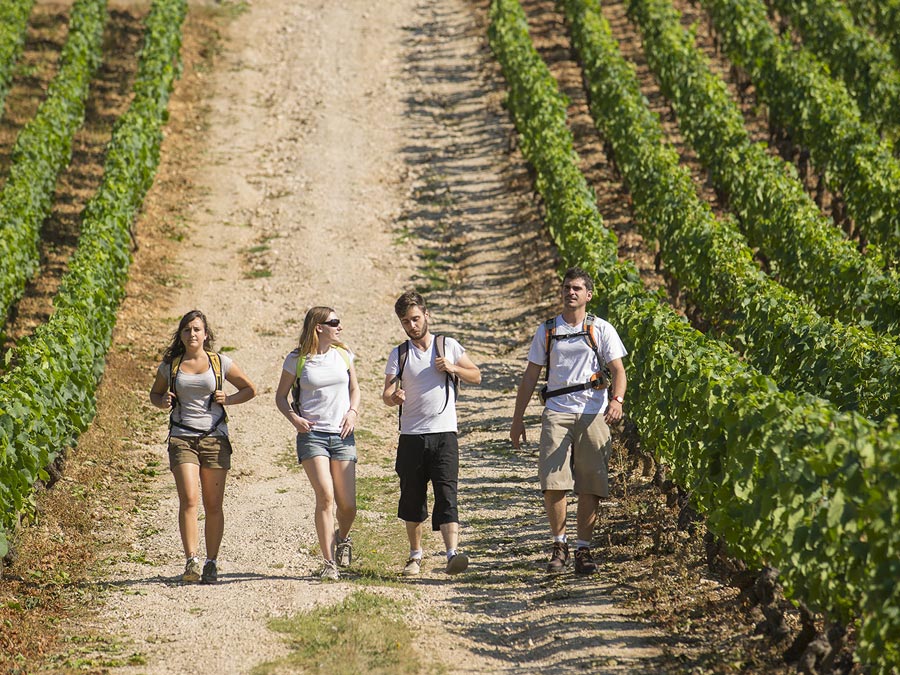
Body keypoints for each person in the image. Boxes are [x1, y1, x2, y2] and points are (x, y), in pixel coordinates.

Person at [510, 267, 627, 575]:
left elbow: (618, 371)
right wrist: (517, 419)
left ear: (588, 295)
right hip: (557, 411)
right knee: (553, 482)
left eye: (577, 288)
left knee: (590, 484)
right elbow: (530, 376)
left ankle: (584, 549)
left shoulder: (601, 329)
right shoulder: (547, 330)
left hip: (592, 413)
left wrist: (616, 400)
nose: (570, 292)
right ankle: (559, 544)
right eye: (566, 287)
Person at [149, 310, 256, 584]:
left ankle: (212, 562)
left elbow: (250, 389)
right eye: (187, 330)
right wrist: (162, 402)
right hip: (182, 438)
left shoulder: (220, 363)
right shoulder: (171, 365)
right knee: (189, 499)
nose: (192, 334)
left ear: (206, 334)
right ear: (181, 335)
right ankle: (191, 560)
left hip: (215, 438)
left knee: (213, 505)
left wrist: (228, 399)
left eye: (197, 329)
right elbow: (155, 393)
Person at [382, 291, 481, 577]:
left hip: (445, 434)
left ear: (427, 315)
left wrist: (452, 367)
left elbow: (476, 374)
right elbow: (386, 393)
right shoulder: (399, 353)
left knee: (447, 494)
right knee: (412, 496)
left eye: (415, 318)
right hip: (411, 435)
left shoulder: (447, 345)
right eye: (406, 321)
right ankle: (415, 556)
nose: (412, 325)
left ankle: (452, 554)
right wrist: (394, 396)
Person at [275, 307, 361, 581]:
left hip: (343, 434)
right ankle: (328, 563)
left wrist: (353, 412)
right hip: (312, 436)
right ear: (318, 327)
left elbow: (354, 389)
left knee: (348, 505)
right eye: (334, 322)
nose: (340, 327)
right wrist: (294, 419)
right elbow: (281, 397)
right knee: (325, 495)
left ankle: (343, 538)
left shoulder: (343, 355)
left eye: (339, 321)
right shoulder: (297, 360)